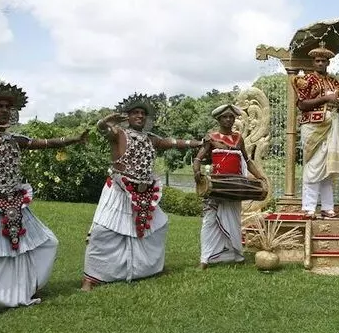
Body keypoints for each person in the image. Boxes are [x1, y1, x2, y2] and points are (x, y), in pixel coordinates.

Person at [0, 82, 87, 320]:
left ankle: (20, 288)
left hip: (16, 205)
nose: (4, 110)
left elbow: (45, 143)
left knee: (47, 243)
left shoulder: (14, 139)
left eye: (8, 107)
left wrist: (74, 139)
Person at [81, 93, 202, 291]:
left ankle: (147, 269)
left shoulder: (151, 139)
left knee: (157, 227)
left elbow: (172, 142)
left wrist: (195, 143)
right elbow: (102, 129)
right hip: (119, 190)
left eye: (143, 113)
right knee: (103, 231)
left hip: (144, 193)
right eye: (135, 112)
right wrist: (105, 121)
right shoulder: (118, 133)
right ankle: (91, 277)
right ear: (127, 116)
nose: (140, 116)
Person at [193, 104, 268, 269]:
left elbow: (247, 162)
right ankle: (204, 259)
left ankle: (236, 255)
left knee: (233, 221)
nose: (228, 120)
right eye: (225, 117)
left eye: (231, 117)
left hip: (234, 187)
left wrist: (260, 176)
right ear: (219, 119)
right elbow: (199, 158)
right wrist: (196, 171)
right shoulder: (211, 138)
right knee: (209, 222)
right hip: (217, 186)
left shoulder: (239, 138)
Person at [292, 41, 339, 219]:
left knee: (328, 167)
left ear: (328, 63)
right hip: (314, 127)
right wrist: (324, 98)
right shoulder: (306, 80)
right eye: (317, 61)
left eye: (323, 61)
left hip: (332, 126)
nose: (320, 63)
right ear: (313, 63)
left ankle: (327, 207)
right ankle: (308, 207)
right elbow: (301, 105)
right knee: (314, 165)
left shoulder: (334, 82)